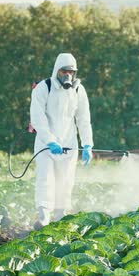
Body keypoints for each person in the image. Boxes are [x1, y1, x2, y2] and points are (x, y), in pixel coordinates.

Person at [30, 52, 94, 229]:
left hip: (69, 144)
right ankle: (43, 216)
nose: (68, 75)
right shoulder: (45, 87)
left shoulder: (79, 90)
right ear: (57, 71)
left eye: (71, 72)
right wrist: (50, 140)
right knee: (46, 179)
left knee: (66, 181)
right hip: (46, 145)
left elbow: (83, 118)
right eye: (64, 71)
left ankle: (60, 216)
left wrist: (87, 144)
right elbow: (37, 117)